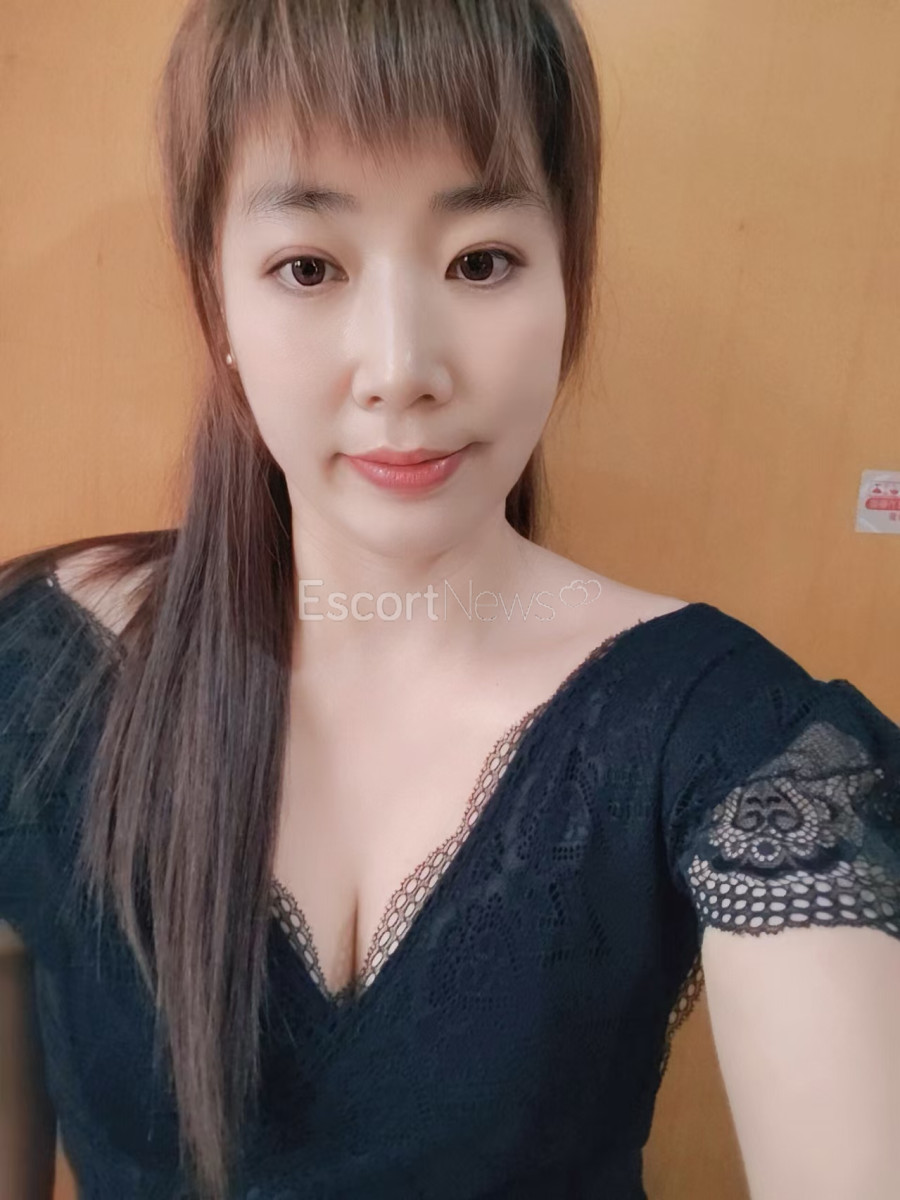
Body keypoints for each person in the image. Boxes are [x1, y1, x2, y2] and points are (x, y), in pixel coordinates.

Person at [1, 0, 898, 1197]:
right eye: (308, 267)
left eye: (480, 261)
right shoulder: (36, 673)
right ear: (218, 301)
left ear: (568, 278)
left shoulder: (735, 745)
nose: (402, 371)